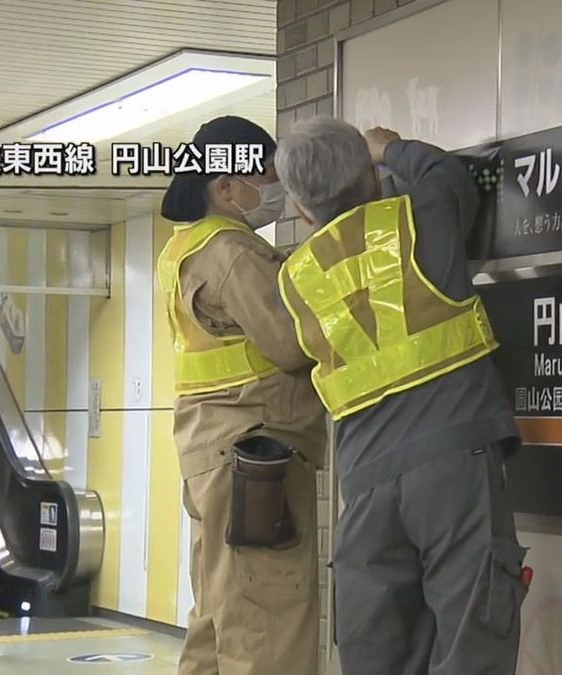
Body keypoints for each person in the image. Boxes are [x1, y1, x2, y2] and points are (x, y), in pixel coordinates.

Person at [273, 117, 528, 675]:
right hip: (454, 465)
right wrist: (391, 147)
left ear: (298, 208)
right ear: (371, 171)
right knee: (470, 642)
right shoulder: (417, 219)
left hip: (365, 487)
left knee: (378, 652)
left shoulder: (297, 277)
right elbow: (445, 173)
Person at [157, 115, 326, 675]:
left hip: (210, 455)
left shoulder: (183, 247)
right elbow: (291, 345)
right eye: (267, 176)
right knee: (266, 618)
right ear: (225, 187)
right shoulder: (234, 252)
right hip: (258, 452)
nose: (276, 190)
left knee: (217, 614)